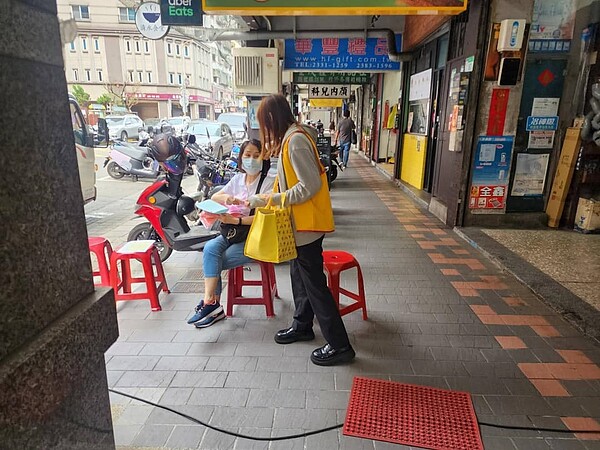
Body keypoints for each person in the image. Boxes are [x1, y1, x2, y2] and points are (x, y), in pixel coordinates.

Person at [251, 94, 355, 366]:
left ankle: (339, 344)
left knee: (315, 285)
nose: (264, 128)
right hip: (302, 225)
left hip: (306, 226)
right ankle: (302, 325)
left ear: (272, 119)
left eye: (264, 122)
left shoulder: (295, 141)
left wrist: (273, 199)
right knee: (299, 276)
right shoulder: (293, 137)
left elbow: (309, 186)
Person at [186, 139, 275, 328]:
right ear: (241, 158)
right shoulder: (237, 180)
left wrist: (236, 220)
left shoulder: (269, 184)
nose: (251, 159)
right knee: (210, 249)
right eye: (247, 155)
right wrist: (227, 198)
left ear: (263, 158)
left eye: (256, 155)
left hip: (256, 236)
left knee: (215, 262)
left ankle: (212, 306)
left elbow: (266, 217)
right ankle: (212, 303)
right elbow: (215, 196)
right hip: (232, 233)